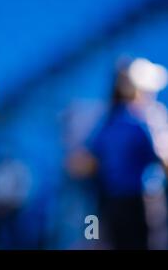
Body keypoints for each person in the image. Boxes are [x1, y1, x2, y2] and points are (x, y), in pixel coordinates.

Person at [69, 58, 168, 249]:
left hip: (112, 204)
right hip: (141, 204)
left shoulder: (108, 122)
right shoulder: (143, 122)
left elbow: (83, 163)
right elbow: (161, 159)